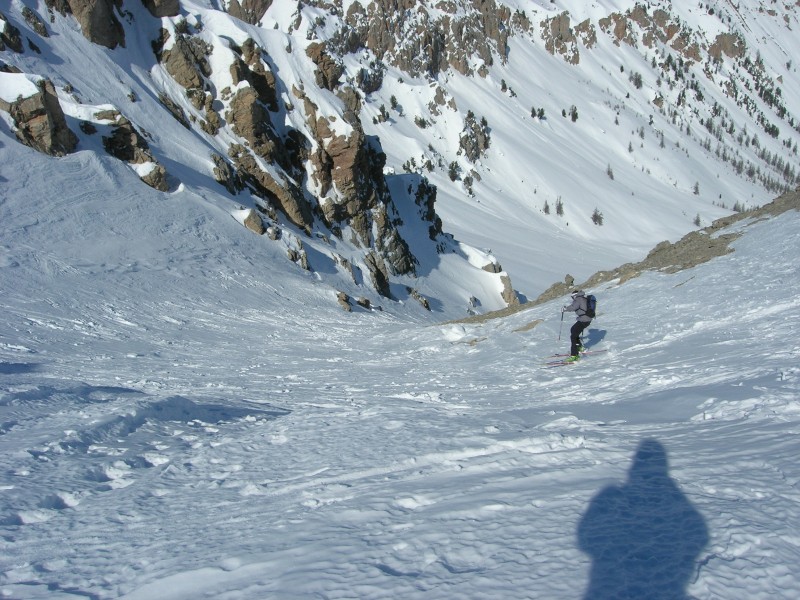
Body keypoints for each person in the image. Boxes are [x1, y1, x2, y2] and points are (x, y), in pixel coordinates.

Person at [562, 290, 592, 361]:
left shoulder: (578, 299)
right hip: (586, 319)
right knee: (573, 329)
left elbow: (573, 307)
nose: (573, 298)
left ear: (575, 295)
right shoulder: (583, 298)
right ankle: (579, 347)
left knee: (573, 336)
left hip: (584, 320)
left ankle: (574, 355)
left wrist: (565, 309)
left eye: (572, 297)